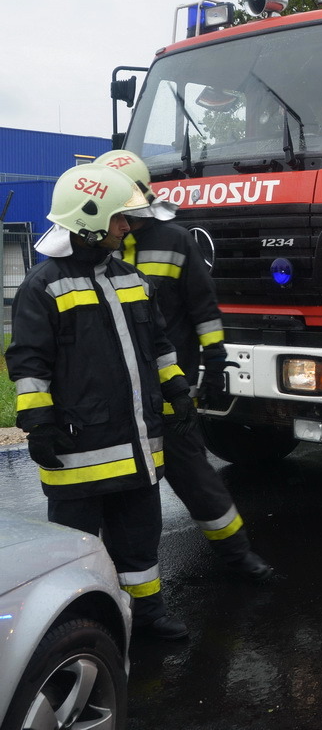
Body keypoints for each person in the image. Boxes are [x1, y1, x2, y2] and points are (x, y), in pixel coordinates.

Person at [6, 164, 196, 639]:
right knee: (75, 550)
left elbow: (159, 346)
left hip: (137, 448)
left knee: (139, 542)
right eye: (119, 219)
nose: (127, 227)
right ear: (90, 220)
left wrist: (175, 388)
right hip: (78, 452)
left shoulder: (130, 277)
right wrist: (38, 424)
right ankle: (83, 630)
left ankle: (148, 617)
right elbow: (28, 365)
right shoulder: (43, 286)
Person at [96, 149, 273, 581]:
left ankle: (238, 556)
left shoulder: (175, 240)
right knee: (121, 491)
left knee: (194, 475)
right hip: (114, 395)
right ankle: (117, 578)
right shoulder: (94, 249)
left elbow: (203, 308)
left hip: (169, 387)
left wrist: (214, 363)